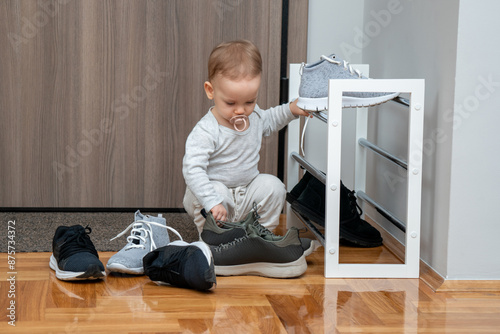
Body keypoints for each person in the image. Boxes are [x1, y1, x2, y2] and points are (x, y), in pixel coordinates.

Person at [182, 40, 309, 235]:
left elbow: (271, 119)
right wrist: (212, 201)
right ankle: (213, 238)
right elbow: (192, 169)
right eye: (231, 103)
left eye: (250, 101)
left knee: (275, 187)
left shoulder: (254, 116)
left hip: (246, 191)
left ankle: (259, 235)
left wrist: (291, 109)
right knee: (217, 191)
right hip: (212, 195)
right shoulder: (207, 130)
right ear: (211, 91)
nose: (241, 110)